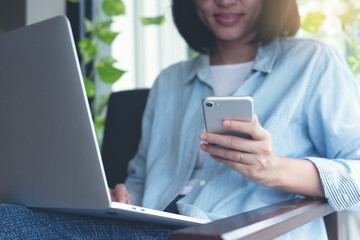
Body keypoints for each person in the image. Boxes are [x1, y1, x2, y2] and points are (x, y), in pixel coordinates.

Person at [1, 0, 360, 239]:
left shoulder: (313, 63)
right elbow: (142, 177)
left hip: (236, 232)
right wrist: (127, 196)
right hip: (155, 226)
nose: (225, 1)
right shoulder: (170, 81)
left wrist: (274, 169)